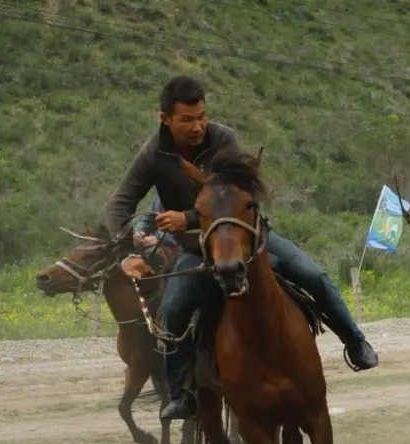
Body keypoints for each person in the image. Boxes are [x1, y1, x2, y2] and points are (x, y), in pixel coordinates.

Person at [104, 75, 379, 421]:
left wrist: (187, 218)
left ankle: (355, 341)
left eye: (202, 116)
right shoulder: (153, 155)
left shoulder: (224, 140)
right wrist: (126, 252)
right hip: (197, 250)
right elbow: (118, 206)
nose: (198, 126)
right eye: (187, 119)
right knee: (172, 309)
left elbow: (232, 198)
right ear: (165, 119)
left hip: (248, 242)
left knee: (314, 275)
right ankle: (179, 394)